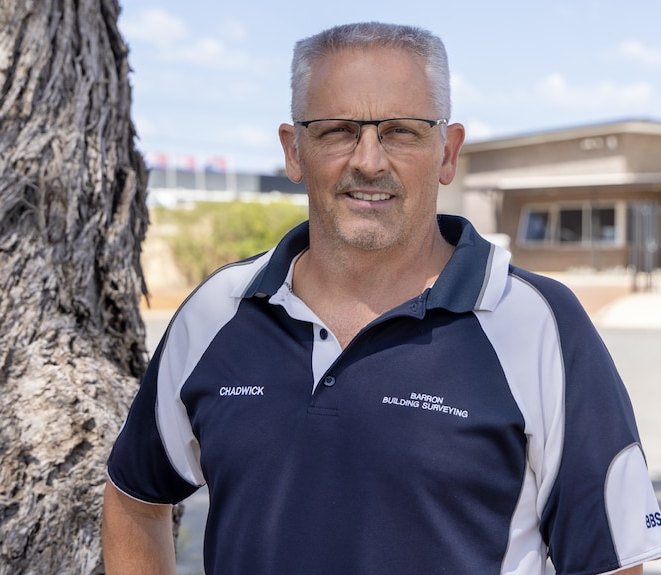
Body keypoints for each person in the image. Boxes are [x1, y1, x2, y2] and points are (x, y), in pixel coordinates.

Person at [102, 21, 661, 574]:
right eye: (338, 130)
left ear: (447, 153)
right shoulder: (216, 313)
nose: (369, 161)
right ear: (293, 151)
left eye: (400, 131)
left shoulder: (538, 325)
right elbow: (134, 498)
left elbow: (609, 565)